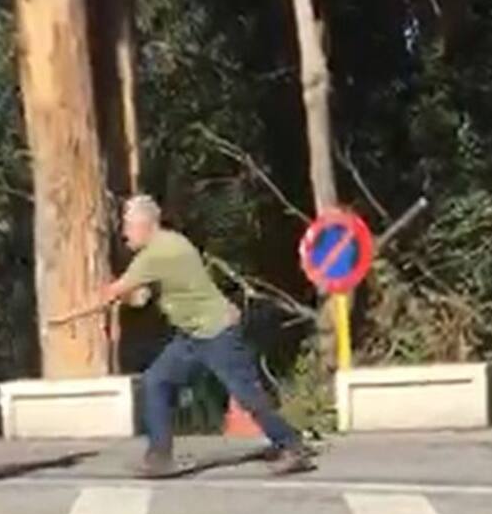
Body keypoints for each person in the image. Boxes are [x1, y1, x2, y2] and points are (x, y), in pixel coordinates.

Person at [51, 194, 312, 477]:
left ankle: (292, 446)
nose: (124, 235)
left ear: (145, 224)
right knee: (156, 381)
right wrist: (123, 296)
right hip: (192, 336)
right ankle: (159, 456)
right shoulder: (171, 243)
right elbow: (140, 297)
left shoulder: (157, 254)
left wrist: (65, 318)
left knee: (246, 394)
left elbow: (110, 294)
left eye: (127, 227)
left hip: (216, 332)